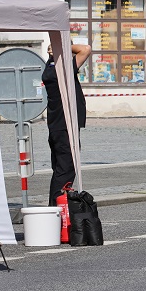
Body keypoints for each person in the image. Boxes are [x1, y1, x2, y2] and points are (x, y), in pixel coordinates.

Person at [42, 43, 92, 206]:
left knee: (59, 170)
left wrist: (59, 50)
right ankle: (56, 210)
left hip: (55, 124)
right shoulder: (63, 69)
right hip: (66, 124)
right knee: (66, 169)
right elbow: (86, 49)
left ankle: (54, 209)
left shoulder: (49, 67)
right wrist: (62, 46)